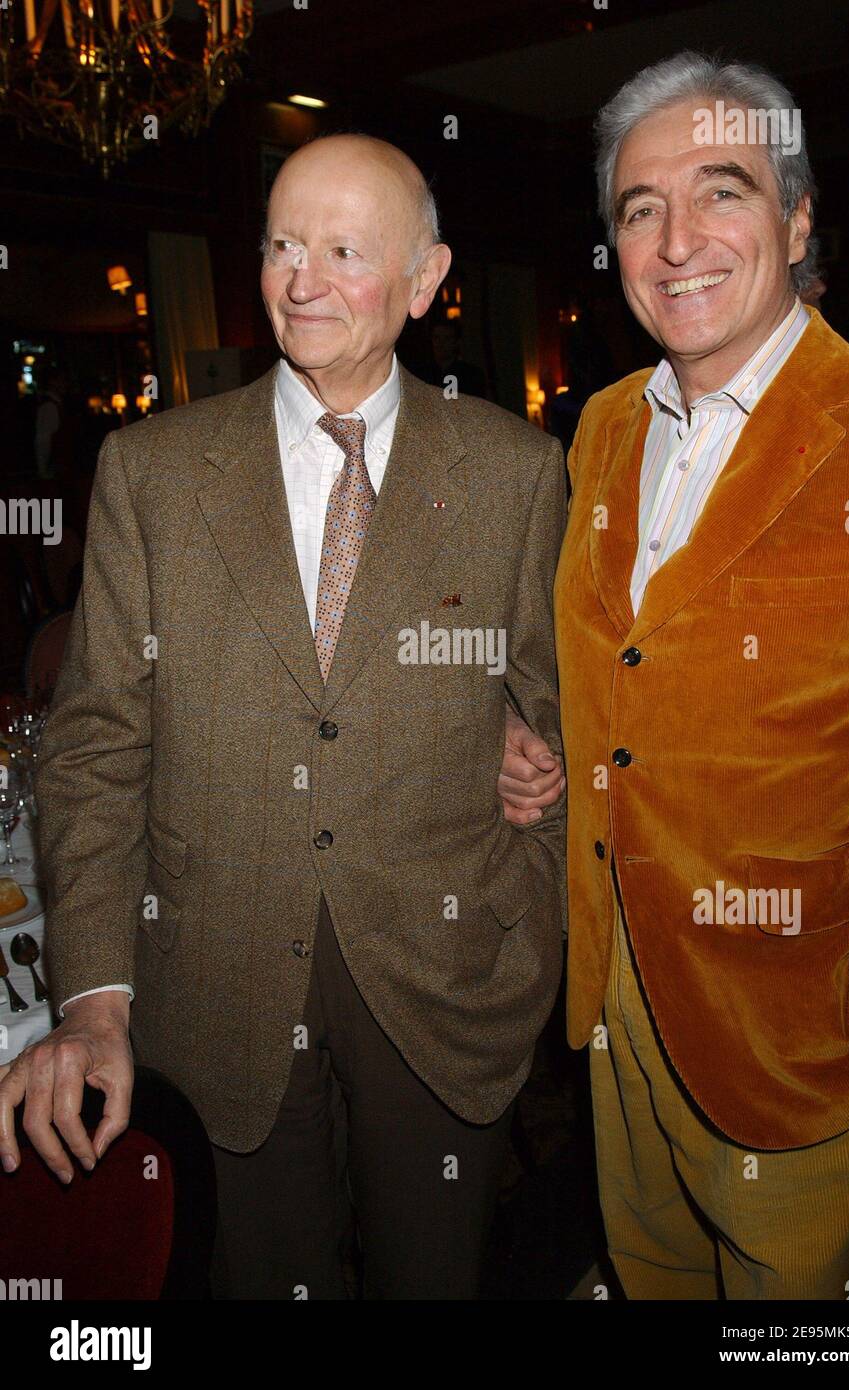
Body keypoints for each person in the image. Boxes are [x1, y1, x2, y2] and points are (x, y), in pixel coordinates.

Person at [0, 133, 567, 1300]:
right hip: (211, 987)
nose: (301, 281)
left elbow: (562, 713)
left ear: (424, 279)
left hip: (446, 977)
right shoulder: (152, 471)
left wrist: (538, 832)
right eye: (281, 245)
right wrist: (93, 998)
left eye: (345, 251)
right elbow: (98, 744)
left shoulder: (518, 474)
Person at [501, 51, 849, 1300]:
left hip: (799, 1038)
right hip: (617, 1008)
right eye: (637, 207)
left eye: (719, 192)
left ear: (793, 217)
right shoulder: (605, 424)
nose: (675, 240)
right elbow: (634, 666)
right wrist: (565, 756)